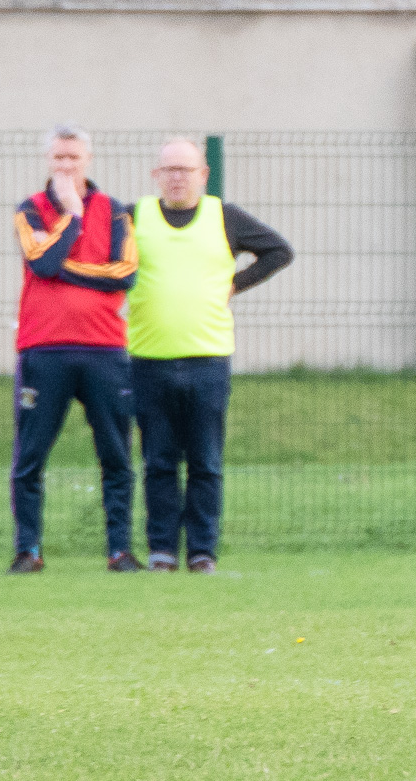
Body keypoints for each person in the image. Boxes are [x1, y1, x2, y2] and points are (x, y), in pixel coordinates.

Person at [127, 138, 293, 574]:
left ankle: (202, 552)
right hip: (148, 358)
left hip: (208, 361)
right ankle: (162, 550)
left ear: (204, 174)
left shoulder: (225, 217)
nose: (177, 177)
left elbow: (279, 251)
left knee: (205, 462)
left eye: (187, 169)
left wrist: (236, 284)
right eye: (170, 169)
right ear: (155, 175)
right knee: (158, 461)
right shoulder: (133, 217)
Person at [9, 124, 141, 574]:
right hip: (43, 350)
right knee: (30, 457)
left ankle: (119, 551)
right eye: (59, 158)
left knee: (117, 456)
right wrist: (72, 215)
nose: (66, 165)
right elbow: (41, 262)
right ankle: (29, 550)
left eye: (74, 158)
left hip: (105, 350)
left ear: (89, 159)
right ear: (48, 160)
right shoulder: (29, 210)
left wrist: (62, 267)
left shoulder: (118, 212)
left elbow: (123, 274)